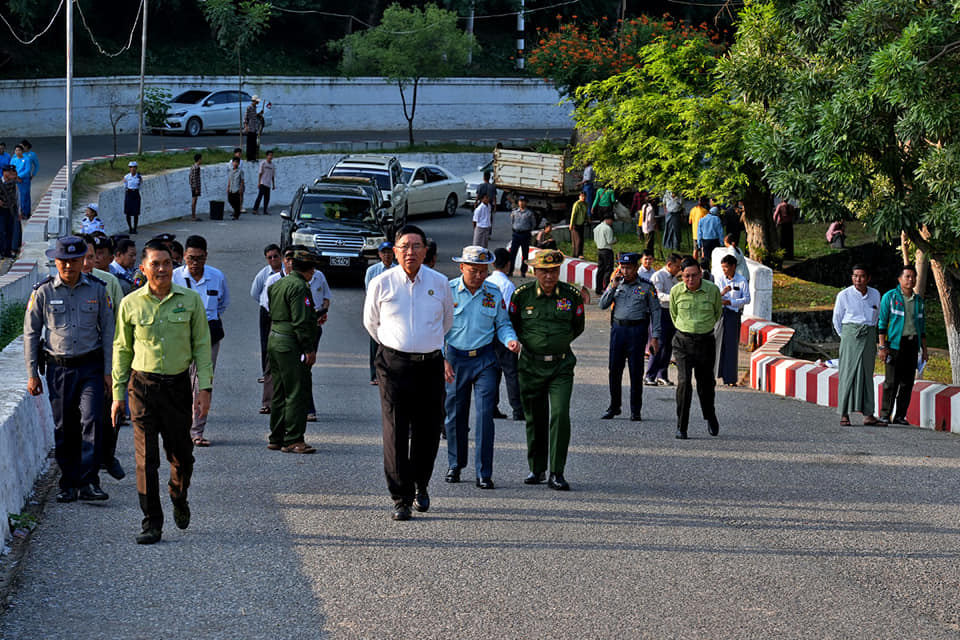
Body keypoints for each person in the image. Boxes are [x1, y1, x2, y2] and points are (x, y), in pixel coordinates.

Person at [111, 238, 213, 545]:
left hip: (178, 387)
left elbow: (202, 346)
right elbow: (121, 349)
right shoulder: (131, 303)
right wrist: (117, 395)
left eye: (167, 263)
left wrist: (204, 387)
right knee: (146, 460)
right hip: (142, 388)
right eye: (155, 264)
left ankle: (178, 494)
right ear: (143, 268)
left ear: (174, 266)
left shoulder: (190, 300)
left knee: (183, 455)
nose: (161, 269)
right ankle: (151, 522)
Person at [363, 224, 454, 521]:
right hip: (393, 364)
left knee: (428, 429)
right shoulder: (382, 283)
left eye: (416, 246)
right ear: (395, 251)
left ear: (426, 251)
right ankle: (400, 497)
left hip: (429, 364)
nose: (410, 252)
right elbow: (371, 324)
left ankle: (421, 484)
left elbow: (446, 323)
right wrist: (397, 346)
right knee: (396, 429)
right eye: (404, 247)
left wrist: (425, 344)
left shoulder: (440, 283)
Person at [24, 236, 115, 503]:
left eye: (74, 261)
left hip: (91, 366)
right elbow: (31, 333)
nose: (68, 266)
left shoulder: (98, 289)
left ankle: (89, 481)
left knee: (92, 420)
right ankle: (68, 482)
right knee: (65, 426)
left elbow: (109, 332)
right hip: (58, 368)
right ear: (56, 261)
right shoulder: (43, 291)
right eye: (63, 261)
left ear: (82, 261)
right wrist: (32, 373)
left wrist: (109, 371)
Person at [443, 246, 520, 489]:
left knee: (486, 413)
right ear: (462, 267)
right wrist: (441, 357)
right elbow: (435, 326)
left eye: (483, 271)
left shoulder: (493, 292)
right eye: (474, 270)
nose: (479, 275)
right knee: (455, 414)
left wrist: (510, 340)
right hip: (455, 358)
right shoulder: (448, 291)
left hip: (485, 359)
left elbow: (503, 323)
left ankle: (483, 472)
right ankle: (456, 464)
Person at [509, 249, 584, 490]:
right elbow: (514, 324)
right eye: (544, 271)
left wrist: (557, 342)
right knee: (535, 418)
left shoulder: (571, 295)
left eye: (553, 271)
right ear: (534, 271)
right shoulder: (522, 295)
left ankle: (557, 472)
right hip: (531, 365)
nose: (549, 276)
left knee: (560, 414)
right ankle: (537, 468)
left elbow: (577, 326)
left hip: (560, 366)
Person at [172, 235, 230, 447]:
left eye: (199, 258)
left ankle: (197, 431)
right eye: (190, 258)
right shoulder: (175, 277)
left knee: (203, 382)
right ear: (184, 257)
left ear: (206, 256)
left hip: (209, 334)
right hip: (181, 334)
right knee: (181, 381)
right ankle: (180, 427)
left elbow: (223, 303)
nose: (194, 263)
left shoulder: (217, 276)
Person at [79, 235, 127, 482]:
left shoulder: (108, 282)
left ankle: (107, 455)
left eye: (91, 257)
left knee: (111, 411)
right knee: (88, 416)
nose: (88, 263)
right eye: (84, 257)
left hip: (108, 355)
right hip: (79, 359)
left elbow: (119, 321)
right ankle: (89, 466)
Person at [266, 248, 322, 454]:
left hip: (276, 339)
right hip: (291, 343)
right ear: (310, 270)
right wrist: (308, 348)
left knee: (279, 390)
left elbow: (274, 311)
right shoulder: (300, 287)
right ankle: (294, 438)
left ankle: (277, 436)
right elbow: (299, 319)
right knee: (297, 391)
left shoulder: (278, 284)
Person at [599, 253, 661, 421]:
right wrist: (612, 287)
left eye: (628, 268)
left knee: (635, 371)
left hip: (637, 331)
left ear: (635, 267)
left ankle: (635, 409)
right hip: (618, 330)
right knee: (614, 370)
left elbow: (656, 312)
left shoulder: (646, 286)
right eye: (622, 267)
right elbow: (602, 305)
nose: (625, 271)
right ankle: (614, 406)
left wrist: (655, 336)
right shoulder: (616, 284)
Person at [670, 256, 722, 439]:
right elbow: (673, 315)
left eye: (694, 276)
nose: (690, 280)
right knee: (684, 383)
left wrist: (701, 328)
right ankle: (681, 426)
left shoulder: (712, 290)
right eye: (686, 276)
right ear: (681, 276)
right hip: (683, 342)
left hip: (705, 342)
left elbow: (717, 313)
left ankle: (710, 415)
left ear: (701, 274)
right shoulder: (676, 292)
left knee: (706, 384)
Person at [877, 265, 927, 426]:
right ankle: (885, 414)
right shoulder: (890, 297)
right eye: (907, 276)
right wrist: (882, 347)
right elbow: (882, 323)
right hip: (894, 345)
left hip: (912, 345)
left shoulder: (918, 301)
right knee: (891, 381)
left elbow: (922, 327)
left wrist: (924, 350)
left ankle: (900, 416)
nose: (910, 280)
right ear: (900, 279)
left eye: (913, 277)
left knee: (907, 382)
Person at [832, 264, 882, 426]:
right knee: (848, 373)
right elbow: (837, 320)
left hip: (868, 335)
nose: (858, 280)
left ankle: (868, 414)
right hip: (850, 335)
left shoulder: (875, 294)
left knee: (867, 374)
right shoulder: (844, 295)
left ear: (868, 278)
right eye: (855, 276)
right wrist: (846, 337)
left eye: (861, 276)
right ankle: (844, 413)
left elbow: (876, 317)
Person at [486, 248, 524, 421]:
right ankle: (517, 409)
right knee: (511, 372)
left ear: (493, 264)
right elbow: (508, 311)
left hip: (487, 332)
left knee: (493, 371)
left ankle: (492, 406)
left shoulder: (487, 281)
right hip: (504, 332)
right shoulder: (508, 285)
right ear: (509, 264)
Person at [645, 253, 683, 386]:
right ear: (669, 265)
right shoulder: (658, 276)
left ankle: (662, 374)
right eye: (677, 266)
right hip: (659, 312)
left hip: (670, 313)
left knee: (668, 345)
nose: (679, 269)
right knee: (658, 344)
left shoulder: (674, 279)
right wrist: (673, 298)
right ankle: (650, 375)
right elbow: (658, 295)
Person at [250, 243, 283, 394]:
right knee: (265, 342)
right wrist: (266, 304)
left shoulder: (287, 271)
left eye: (276, 256)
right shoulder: (264, 274)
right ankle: (266, 373)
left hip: (282, 313)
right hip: (267, 311)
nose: (273, 260)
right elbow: (255, 292)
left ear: (281, 256)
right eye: (269, 258)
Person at [364, 241, 396, 385]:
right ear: (379, 254)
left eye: (389, 252)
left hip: (393, 311)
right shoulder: (372, 271)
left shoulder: (398, 269)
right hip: (377, 310)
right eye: (384, 252)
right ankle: (374, 374)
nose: (387, 255)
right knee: (374, 344)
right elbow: (369, 291)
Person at [716, 254, 750, 386]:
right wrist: (723, 293)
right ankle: (714, 374)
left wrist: (731, 302)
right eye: (723, 268)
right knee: (717, 344)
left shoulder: (741, 281)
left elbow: (746, 299)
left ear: (733, 267)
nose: (724, 270)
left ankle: (730, 378)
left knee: (731, 346)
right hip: (720, 314)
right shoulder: (720, 280)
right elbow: (715, 296)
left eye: (726, 267)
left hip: (733, 314)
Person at [508, 195, 536, 277]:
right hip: (516, 234)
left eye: (523, 201)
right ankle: (510, 271)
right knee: (512, 253)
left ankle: (523, 271)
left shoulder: (529, 213)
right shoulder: (514, 212)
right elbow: (512, 222)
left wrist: (526, 229)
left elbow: (533, 224)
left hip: (525, 234)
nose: (521, 203)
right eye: (520, 201)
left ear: (526, 203)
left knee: (525, 254)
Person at [593, 211, 617, 294]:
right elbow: (610, 241)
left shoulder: (597, 228)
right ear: (608, 219)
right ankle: (607, 288)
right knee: (608, 270)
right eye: (612, 220)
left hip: (599, 250)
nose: (612, 222)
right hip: (607, 251)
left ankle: (598, 288)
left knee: (600, 270)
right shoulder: (608, 228)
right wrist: (615, 240)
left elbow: (595, 240)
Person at [0, 163, 20, 258]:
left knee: (9, 231)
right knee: (1, 231)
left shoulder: (13, 184)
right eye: (9, 172)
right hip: (1, 211)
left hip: (11, 210)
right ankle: (1, 252)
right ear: (4, 172)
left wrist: (19, 211)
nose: (12, 174)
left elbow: (17, 198)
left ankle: (8, 251)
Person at [11, 144, 31, 219]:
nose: (17, 152)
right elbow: (11, 169)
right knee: (17, 197)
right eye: (16, 150)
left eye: (19, 150)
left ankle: (26, 212)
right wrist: (15, 177)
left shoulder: (26, 159)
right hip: (15, 180)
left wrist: (19, 176)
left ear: (22, 151)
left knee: (25, 196)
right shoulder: (13, 160)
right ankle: (19, 213)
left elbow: (27, 170)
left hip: (24, 180)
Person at [253, 149, 276, 215]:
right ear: (267, 156)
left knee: (267, 198)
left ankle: (265, 211)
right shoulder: (263, 163)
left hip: (268, 184)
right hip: (263, 183)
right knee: (260, 196)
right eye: (269, 155)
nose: (271, 157)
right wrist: (259, 182)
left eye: (272, 155)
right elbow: (260, 173)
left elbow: (273, 176)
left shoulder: (272, 165)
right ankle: (255, 209)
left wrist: (273, 184)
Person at [122, 161, 142, 234]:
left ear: (136, 168)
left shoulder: (139, 177)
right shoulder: (126, 177)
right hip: (129, 193)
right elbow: (125, 186)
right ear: (129, 168)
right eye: (131, 167)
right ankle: (130, 228)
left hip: (136, 193)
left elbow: (140, 186)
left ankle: (135, 228)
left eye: (134, 167)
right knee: (128, 212)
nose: (132, 169)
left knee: (136, 213)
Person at [569, 191, 588, 259]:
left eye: (584, 196)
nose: (583, 198)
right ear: (579, 197)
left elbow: (585, 213)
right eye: (582, 196)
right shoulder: (577, 204)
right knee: (577, 240)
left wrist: (588, 219)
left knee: (581, 239)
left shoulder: (585, 204)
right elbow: (573, 215)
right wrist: (571, 224)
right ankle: (576, 254)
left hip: (581, 223)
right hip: (575, 224)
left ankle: (580, 253)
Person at [244, 95, 261, 162]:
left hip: (254, 128)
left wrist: (259, 114)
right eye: (256, 101)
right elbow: (246, 118)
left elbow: (254, 117)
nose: (257, 103)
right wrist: (246, 126)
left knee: (254, 143)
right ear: (254, 101)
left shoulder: (254, 108)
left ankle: (253, 157)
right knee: (250, 144)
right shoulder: (249, 108)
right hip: (250, 128)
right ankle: (249, 157)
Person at [189, 153, 202, 221]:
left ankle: (193, 215)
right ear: (199, 160)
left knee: (194, 200)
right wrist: (196, 188)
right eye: (201, 159)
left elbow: (191, 178)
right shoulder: (196, 168)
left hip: (193, 186)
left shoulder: (193, 166)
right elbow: (195, 178)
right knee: (194, 200)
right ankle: (193, 216)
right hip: (195, 187)